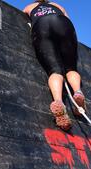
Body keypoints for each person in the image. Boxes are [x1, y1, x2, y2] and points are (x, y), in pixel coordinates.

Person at [23, 0, 85, 131]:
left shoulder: (29, 7)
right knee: (71, 68)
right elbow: (68, 19)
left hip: (41, 26)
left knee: (54, 70)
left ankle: (58, 101)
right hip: (62, 24)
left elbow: (21, 18)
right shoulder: (57, 5)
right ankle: (78, 93)